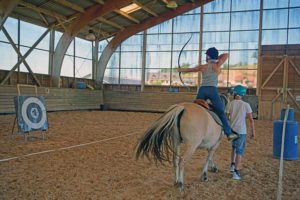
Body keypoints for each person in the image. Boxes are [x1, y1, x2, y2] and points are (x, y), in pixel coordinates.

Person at [177, 47, 238, 141]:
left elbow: (192, 69)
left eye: (206, 55)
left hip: (202, 90)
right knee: (221, 111)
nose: (205, 56)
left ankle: (182, 131)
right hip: (212, 91)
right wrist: (216, 58)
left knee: (193, 109)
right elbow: (226, 54)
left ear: (208, 56)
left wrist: (181, 70)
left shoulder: (203, 67)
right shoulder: (218, 65)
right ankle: (229, 133)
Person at [226, 85, 255, 180]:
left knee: (234, 148)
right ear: (242, 94)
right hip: (241, 131)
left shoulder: (230, 104)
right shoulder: (246, 105)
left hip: (232, 130)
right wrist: (253, 131)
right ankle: (236, 172)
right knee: (239, 151)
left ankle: (232, 165)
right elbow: (251, 119)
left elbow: (228, 117)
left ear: (235, 93)